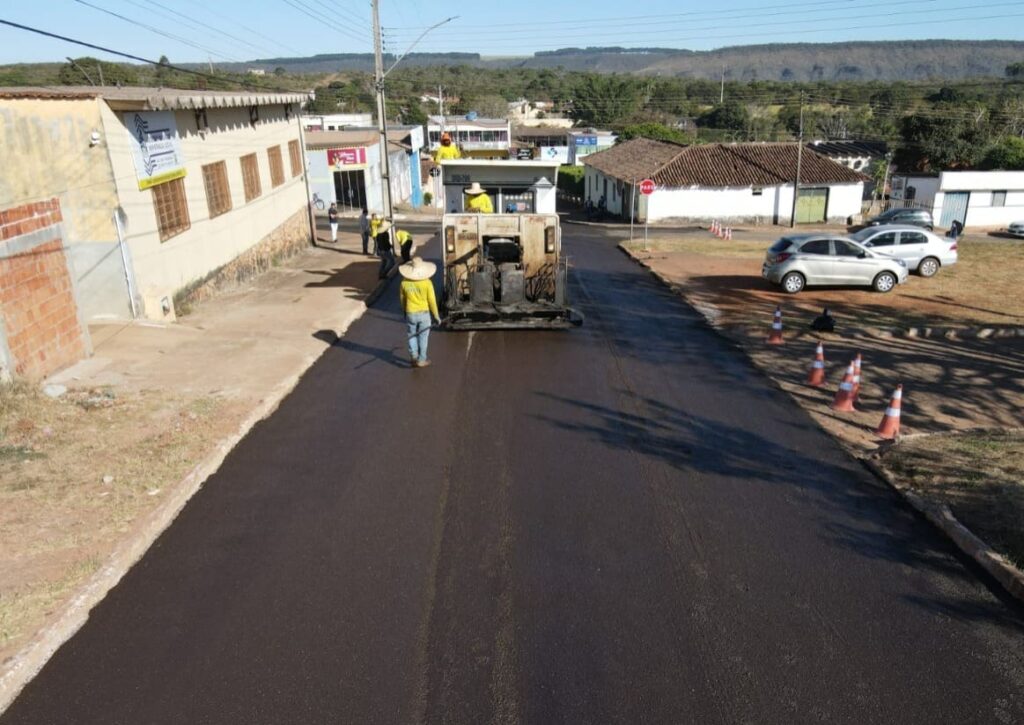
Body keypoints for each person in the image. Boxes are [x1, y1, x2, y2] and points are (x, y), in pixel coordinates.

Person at [399, 257, 440, 368]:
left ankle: (413, 355)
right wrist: (436, 315)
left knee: (412, 335)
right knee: (423, 337)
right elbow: (432, 301)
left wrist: (404, 312)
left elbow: (402, 299)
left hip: (410, 313)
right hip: (424, 314)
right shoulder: (427, 283)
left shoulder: (404, 283)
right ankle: (422, 359)